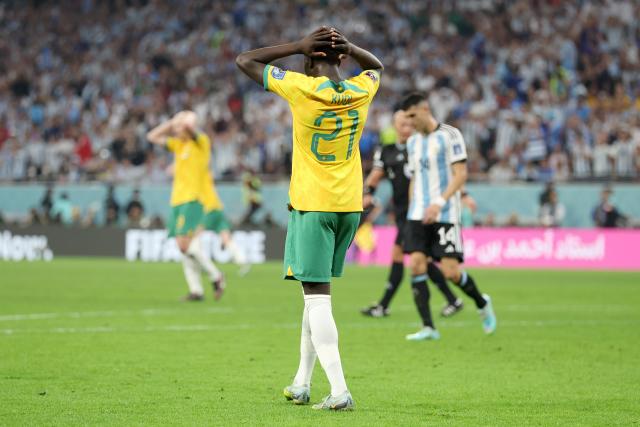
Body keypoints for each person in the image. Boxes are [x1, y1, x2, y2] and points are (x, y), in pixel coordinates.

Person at [237, 26, 383, 411]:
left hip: (313, 206)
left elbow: (245, 61)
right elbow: (377, 66)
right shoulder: (361, 90)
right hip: (348, 206)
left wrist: (295, 46)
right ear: (341, 59)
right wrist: (352, 47)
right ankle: (302, 382)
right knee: (313, 295)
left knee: (318, 301)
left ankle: (339, 391)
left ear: (310, 57)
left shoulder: (300, 87)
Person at [400, 92, 496, 341]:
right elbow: (415, 179)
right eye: (405, 118)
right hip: (418, 215)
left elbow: (461, 174)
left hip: (445, 213)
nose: (409, 123)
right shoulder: (412, 142)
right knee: (417, 265)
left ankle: (481, 301)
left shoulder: (450, 135)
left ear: (424, 109)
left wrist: (440, 202)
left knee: (451, 272)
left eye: (412, 116)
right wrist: (412, 208)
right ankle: (429, 327)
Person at [360, 109, 463, 319]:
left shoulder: (422, 146)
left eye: (410, 124)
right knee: (420, 259)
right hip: (401, 213)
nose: (407, 128)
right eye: (402, 124)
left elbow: (444, 172)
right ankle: (453, 300)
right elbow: (374, 177)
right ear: (395, 126)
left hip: (418, 212)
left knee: (402, 255)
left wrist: (464, 194)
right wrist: (368, 193)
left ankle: (383, 305)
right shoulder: (386, 151)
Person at [147, 111, 225, 301]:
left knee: (185, 244)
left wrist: (186, 119)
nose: (175, 130)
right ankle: (197, 290)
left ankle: (216, 275)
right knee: (184, 247)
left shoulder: (201, 142)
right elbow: (152, 136)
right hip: (177, 200)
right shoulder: (177, 145)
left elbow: (191, 129)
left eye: (178, 128)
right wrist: (171, 122)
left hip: (193, 199)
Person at [199, 168, 250, 276]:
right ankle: (243, 262)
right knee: (226, 238)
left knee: (195, 236)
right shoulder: (207, 178)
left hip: (209, 210)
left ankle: (202, 264)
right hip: (218, 209)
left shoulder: (200, 178)